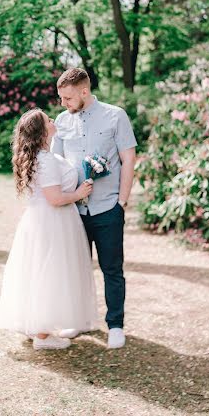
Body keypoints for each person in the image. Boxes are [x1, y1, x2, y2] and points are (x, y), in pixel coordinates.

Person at [0, 108, 98, 350]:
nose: (54, 121)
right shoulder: (46, 160)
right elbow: (54, 198)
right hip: (52, 222)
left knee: (38, 272)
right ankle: (42, 336)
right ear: (43, 132)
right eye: (49, 120)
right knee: (49, 274)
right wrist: (79, 193)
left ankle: (37, 327)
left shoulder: (40, 157)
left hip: (40, 221)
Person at [52, 68, 137, 349]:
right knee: (75, 268)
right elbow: (55, 162)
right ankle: (77, 320)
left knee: (112, 269)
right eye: (61, 98)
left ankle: (115, 325)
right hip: (73, 211)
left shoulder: (116, 115)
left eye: (67, 97)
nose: (63, 103)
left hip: (107, 208)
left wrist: (121, 203)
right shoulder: (62, 121)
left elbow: (128, 159)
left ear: (84, 91)